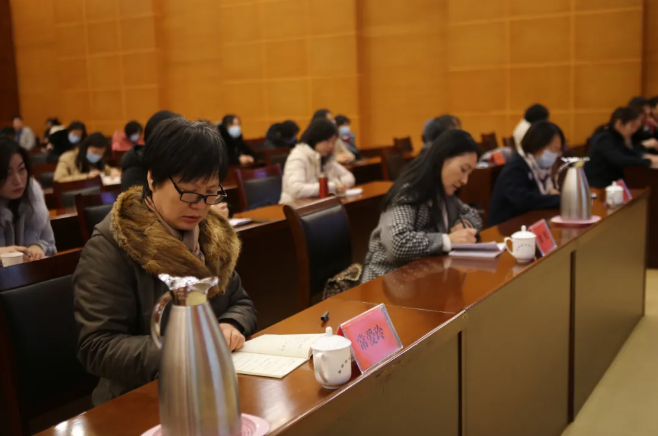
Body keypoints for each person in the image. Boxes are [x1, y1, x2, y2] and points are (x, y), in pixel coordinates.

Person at [73, 117, 257, 406]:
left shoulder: (211, 236)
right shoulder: (111, 246)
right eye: (189, 192)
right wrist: (181, 349)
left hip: (208, 388)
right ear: (152, 179)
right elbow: (97, 347)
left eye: (210, 193)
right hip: (138, 400)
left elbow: (241, 302)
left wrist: (230, 325)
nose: (200, 206)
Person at [361, 129, 483, 283]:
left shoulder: (444, 191)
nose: (465, 180)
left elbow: (473, 214)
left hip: (423, 277)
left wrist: (464, 225)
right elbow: (397, 243)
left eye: (469, 173)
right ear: (442, 159)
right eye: (463, 170)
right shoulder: (408, 192)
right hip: (387, 282)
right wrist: (447, 240)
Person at [488, 121, 563, 226]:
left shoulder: (540, 169)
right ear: (538, 146)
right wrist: (559, 199)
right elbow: (524, 200)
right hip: (505, 227)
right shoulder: (516, 168)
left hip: (527, 223)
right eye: (554, 150)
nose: (556, 155)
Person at [0, 136, 56, 261]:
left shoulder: (34, 198)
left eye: (21, 169)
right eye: (7, 173)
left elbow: (50, 244)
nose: (18, 181)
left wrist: (38, 246)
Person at [280, 118, 355, 203]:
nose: (331, 146)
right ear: (316, 138)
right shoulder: (298, 157)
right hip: (294, 207)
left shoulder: (325, 158)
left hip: (316, 204)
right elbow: (296, 190)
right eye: (327, 141)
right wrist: (333, 186)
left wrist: (341, 185)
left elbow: (349, 176)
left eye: (333, 142)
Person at [585, 107, 658, 188]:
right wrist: (649, 161)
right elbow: (620, 159)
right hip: (598, 185)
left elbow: (628, 153)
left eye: (636, 127)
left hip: (613, 183)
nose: (634, 130)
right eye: (632, 126)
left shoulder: (618, 136)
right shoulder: (605, 138)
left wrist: (648, 157)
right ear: (619, 123)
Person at [54, 132, 120, 182]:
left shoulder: (98, 161)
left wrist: (113, 171)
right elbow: (58, 179)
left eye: (100, 154)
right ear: (86, 148)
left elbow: (107, 169)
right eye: (95, 152)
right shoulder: (67, 158)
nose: (97, 156)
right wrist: (86, 176)